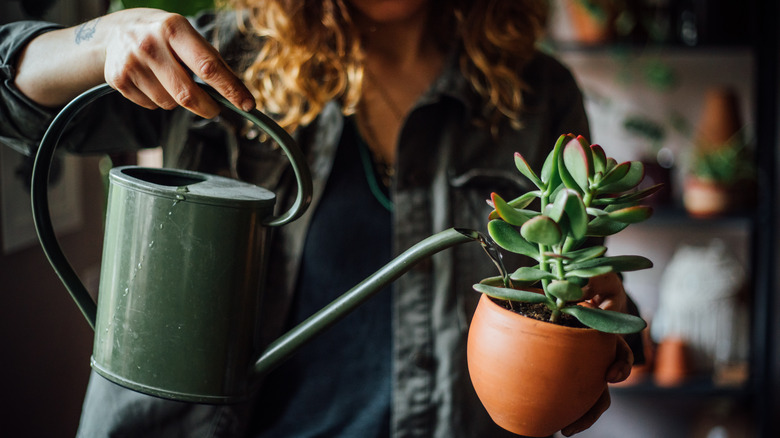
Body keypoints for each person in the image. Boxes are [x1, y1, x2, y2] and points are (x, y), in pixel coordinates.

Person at [0, 1, 641, 436]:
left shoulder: (539, 92)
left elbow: (578, 273)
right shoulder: (217, 59)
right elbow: (13, 100)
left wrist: (592, 319)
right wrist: (105, 37)